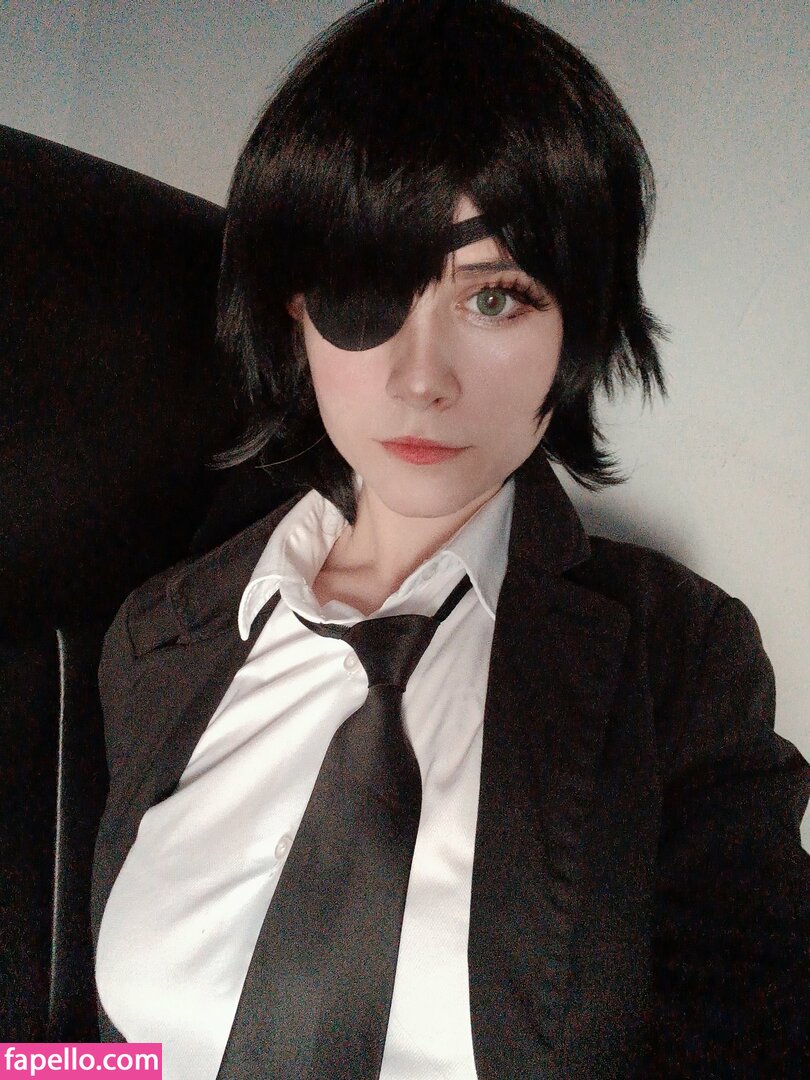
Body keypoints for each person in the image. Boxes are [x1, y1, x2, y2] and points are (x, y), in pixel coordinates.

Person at [91, 2, 810, 1078]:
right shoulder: (155, 638)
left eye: (496, 298)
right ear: (296, 310)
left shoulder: (680, 657)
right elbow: (104, 1050)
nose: (421, 377)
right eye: (365, 290)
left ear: (576, 326)